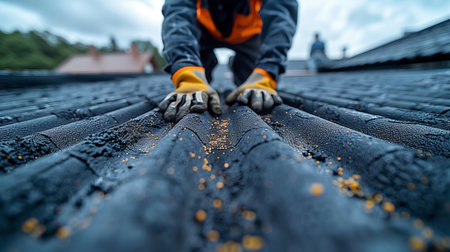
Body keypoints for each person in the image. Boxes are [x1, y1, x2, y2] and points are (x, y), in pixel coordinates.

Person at [158, 0, 298, 122]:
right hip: (204, 31)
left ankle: (237, 64)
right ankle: (207, 60)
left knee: (252, 88)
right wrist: (187, 71)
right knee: (198, 84)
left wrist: (267, 70)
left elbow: (281, 17)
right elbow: (177, 15)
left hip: (248, 34)